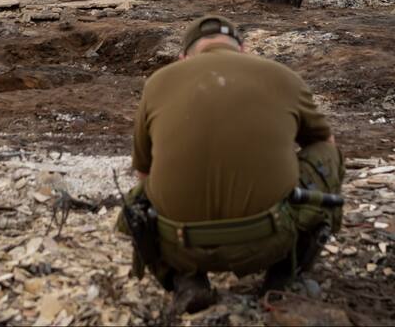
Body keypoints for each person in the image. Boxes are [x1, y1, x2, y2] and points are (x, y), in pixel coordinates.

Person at [119, 16, 344, 314]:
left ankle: (185, 281)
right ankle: (283, 275)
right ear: (244, 49)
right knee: (328, 155)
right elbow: (324, 142)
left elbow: (143, 171)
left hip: (180, 245)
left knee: (140, 197)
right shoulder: (282, 76)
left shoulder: (158, 81)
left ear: (184, 57)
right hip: (269, 238)